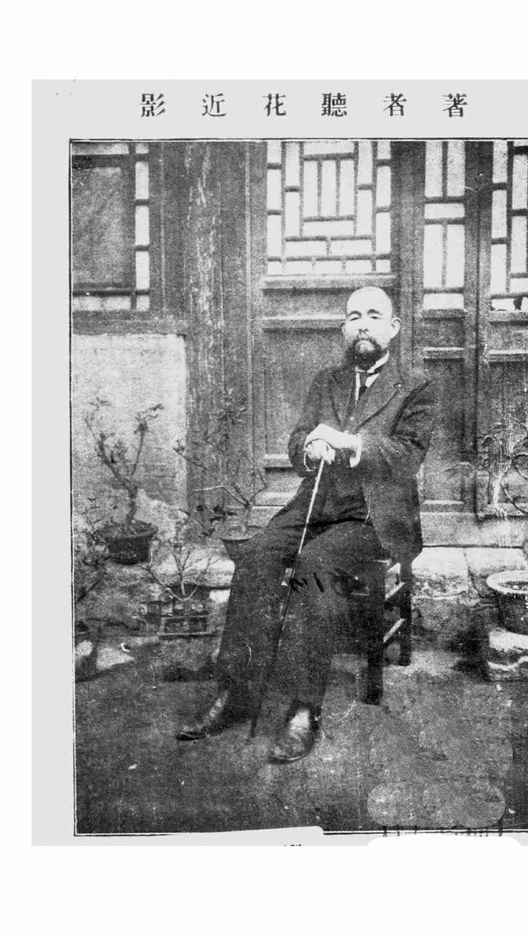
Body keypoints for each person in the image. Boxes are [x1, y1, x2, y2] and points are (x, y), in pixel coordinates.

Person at [176, 285, 436, 762]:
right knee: (256, 557)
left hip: (373, 516)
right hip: (315, 506)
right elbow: (299, 440)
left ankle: (303, 709)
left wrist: (349, 442)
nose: (362, 324)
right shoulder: (327, 381)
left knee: (313, 568)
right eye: (353, 316)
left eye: (373, 315)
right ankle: (236, 691)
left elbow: (406, 456)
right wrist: (309, 448)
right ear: (344, 328)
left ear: (393, 327)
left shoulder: (416, 385)